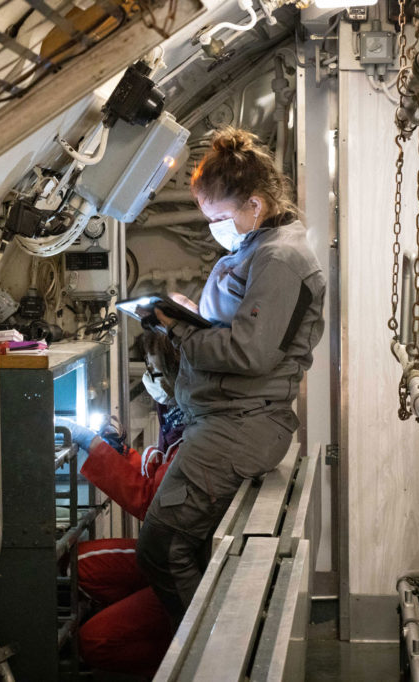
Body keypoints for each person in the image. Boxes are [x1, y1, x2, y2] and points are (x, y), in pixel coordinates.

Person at [136, 126, 326, 626]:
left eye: (219, 217)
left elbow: (250, 351)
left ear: (256, 205)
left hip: (239, 426)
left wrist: (179, 331)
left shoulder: (279, 257)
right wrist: (189, 314)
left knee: (162, 545)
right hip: (222, 419)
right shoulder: (254, 249)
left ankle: (204, 655)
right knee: (186, 546)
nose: (215, 227)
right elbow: (239, 325)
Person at [54, 332, 185, 679]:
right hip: (165, 554)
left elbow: (150, 501)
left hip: (182, 567)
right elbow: (154, 472)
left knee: (94, 641)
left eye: (155, 371)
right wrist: (118, 451)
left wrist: (90, 442)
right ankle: (139, 617)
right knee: (80, 563)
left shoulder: (196, 433)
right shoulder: (178, 424)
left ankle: (180, 658)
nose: (149, 378)